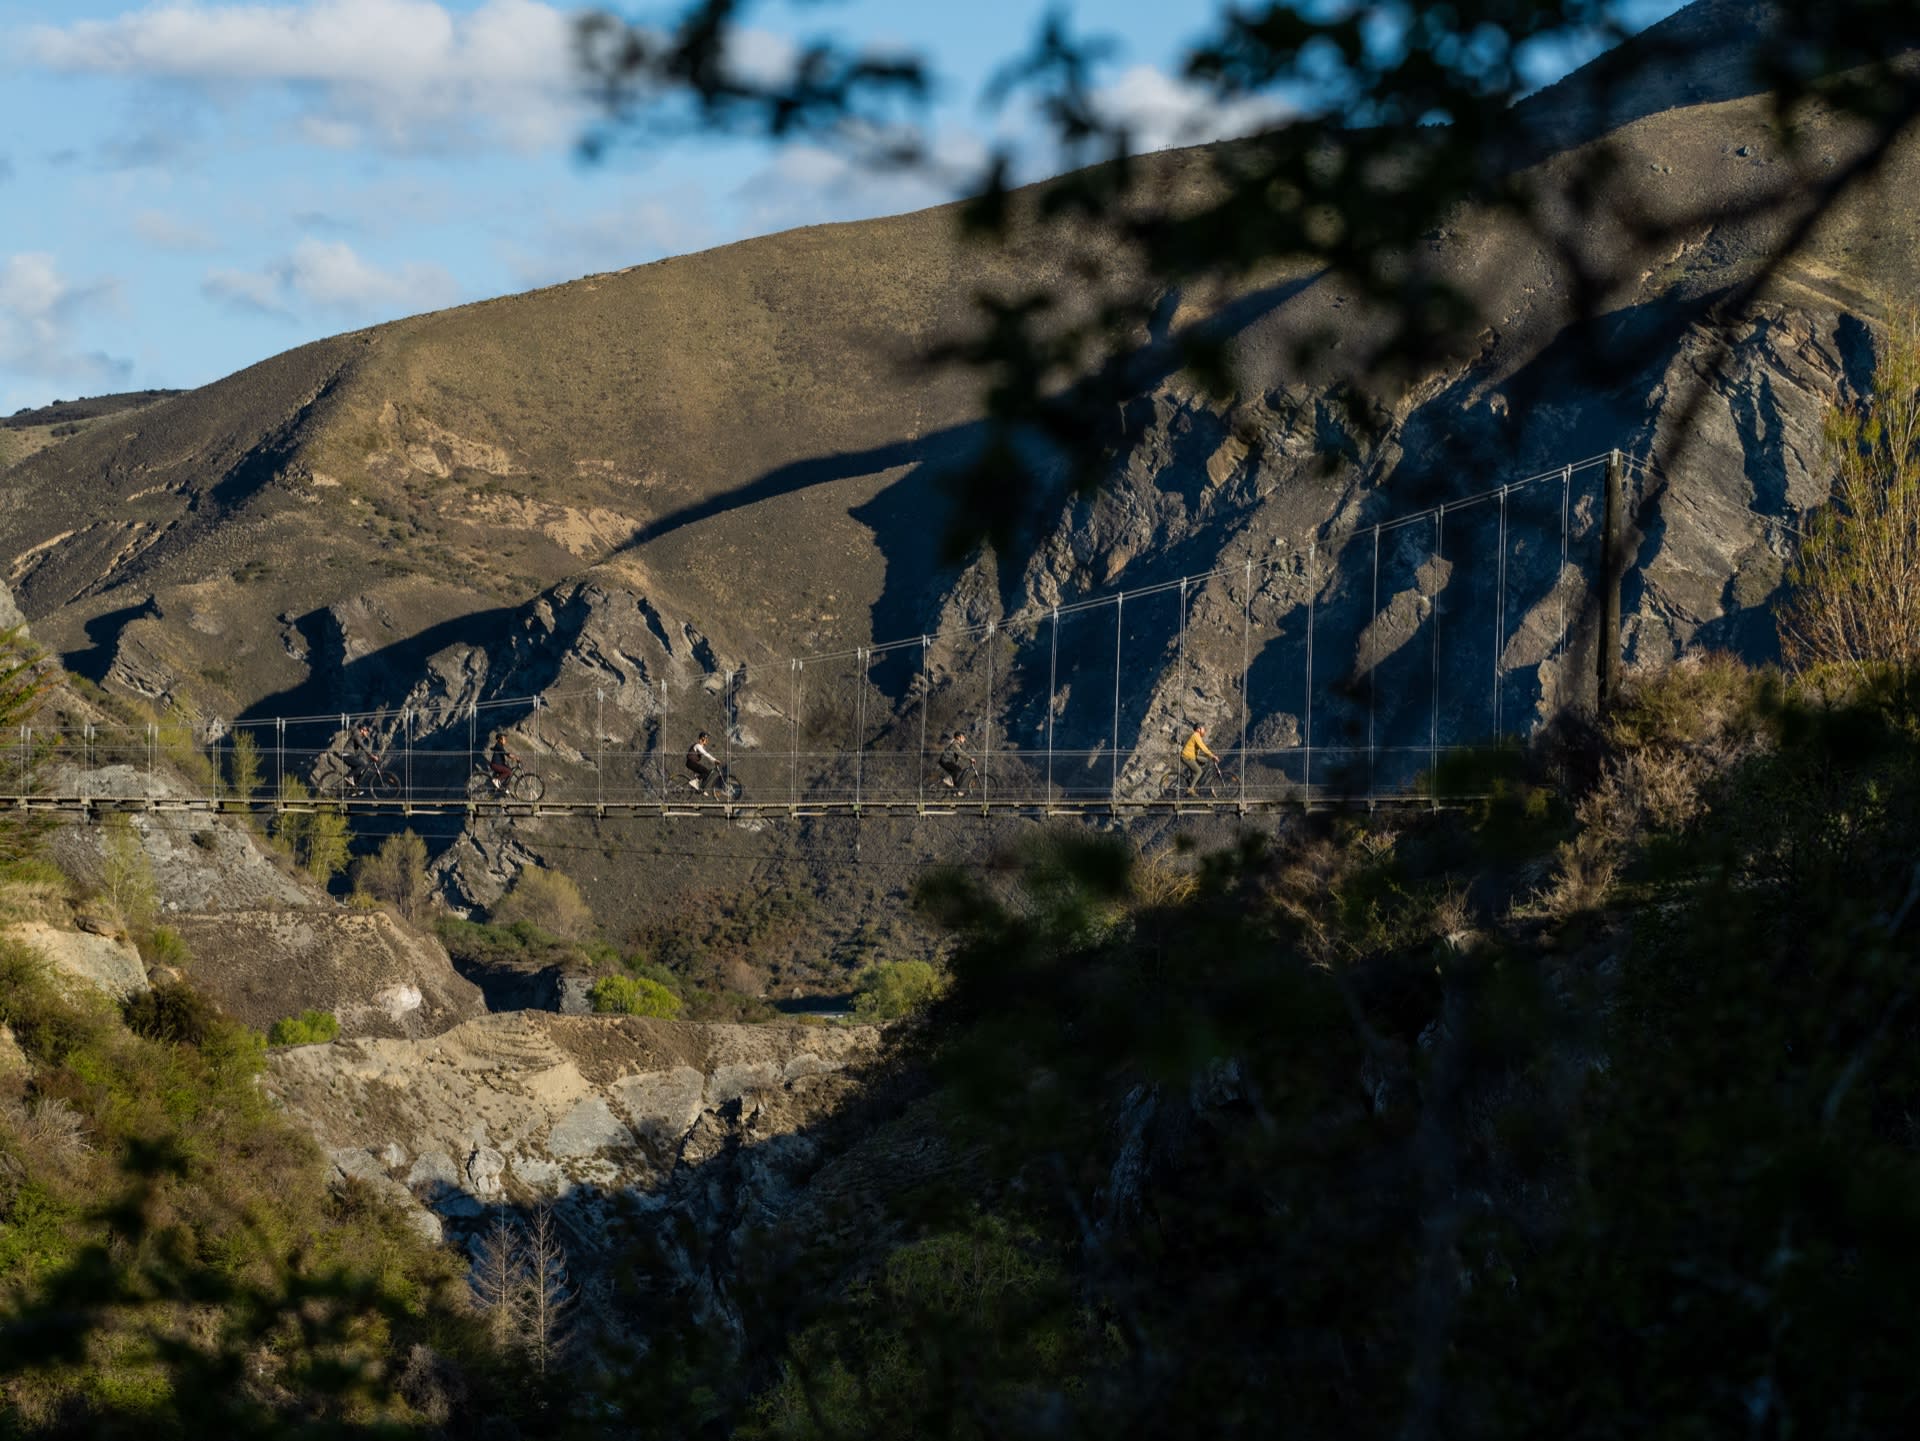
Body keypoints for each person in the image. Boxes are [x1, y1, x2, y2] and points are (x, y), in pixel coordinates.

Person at [1180, 722, 1218, 795]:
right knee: (1199, 771)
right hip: (1187, 757)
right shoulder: (1196, 736)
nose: (1204, 731)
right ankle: (1190, 789)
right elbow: (1203, 748)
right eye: (1203, 729)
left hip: (1193, 756)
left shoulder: (1197, 736)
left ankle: (1193, 777)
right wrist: (1213, 756)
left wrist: (1210, 756)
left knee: (1206, 760)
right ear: (1198, 729)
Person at [345, 722, 380, 794]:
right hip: (346, 755)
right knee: (362, 765)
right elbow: (363, 746)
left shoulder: (359, 736)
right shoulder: (357, 735)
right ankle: (349, 777)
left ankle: (355, 789)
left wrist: (369, 755)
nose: (367, 733)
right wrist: (372, 756)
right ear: (362, 730)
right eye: (366, 731)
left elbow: (361, 749)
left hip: (350, 755)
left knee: (358, 772)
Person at [488, 730, 517, 794]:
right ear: (500, 739)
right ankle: (496, 780)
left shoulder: (499, 746)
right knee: (508, 771)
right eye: (504, 739)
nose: (505, 740)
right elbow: (506, 753)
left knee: (510, 771)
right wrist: (515, 757)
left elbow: (496, 749)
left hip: (499, 764)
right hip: (496, 765)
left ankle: (504, 786)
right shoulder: (499, 746)